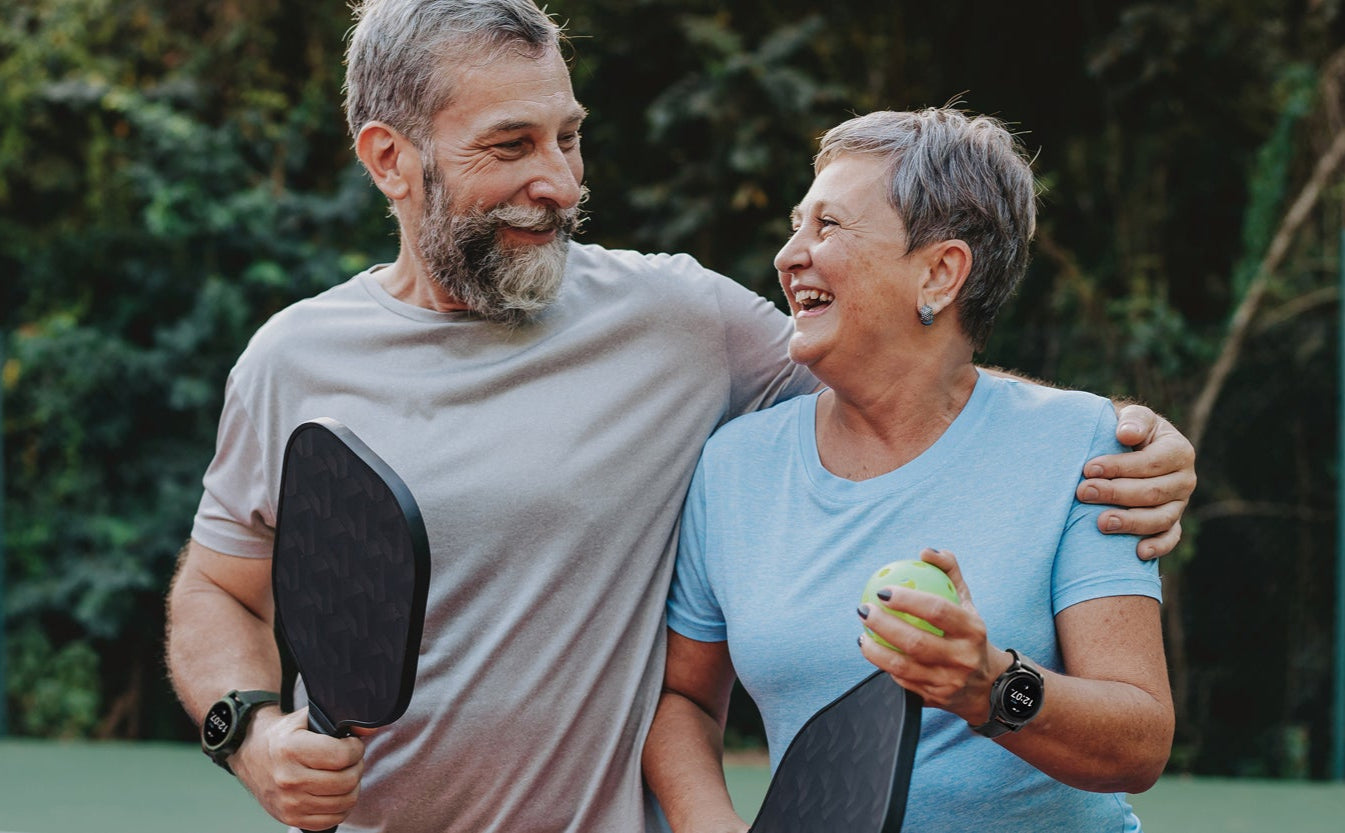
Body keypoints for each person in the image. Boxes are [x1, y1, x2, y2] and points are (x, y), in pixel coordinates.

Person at [164, 3, 1193, 832]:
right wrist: (247, 731)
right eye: (510, 145)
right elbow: (219, 585)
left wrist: (1126, 441)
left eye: (568, 137)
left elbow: (908, 381)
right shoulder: (295, 358)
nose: (559, 182)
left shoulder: (680, 319)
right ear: (390, 158)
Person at [642, 107, 1175, 833]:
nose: (788, 253)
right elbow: (685, 699)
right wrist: (708, 822)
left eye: (827, 226)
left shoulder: (1082, 444)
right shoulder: (733, 465)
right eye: (797, 224)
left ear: (939, 272)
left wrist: (989, 683)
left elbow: (1139, 743)